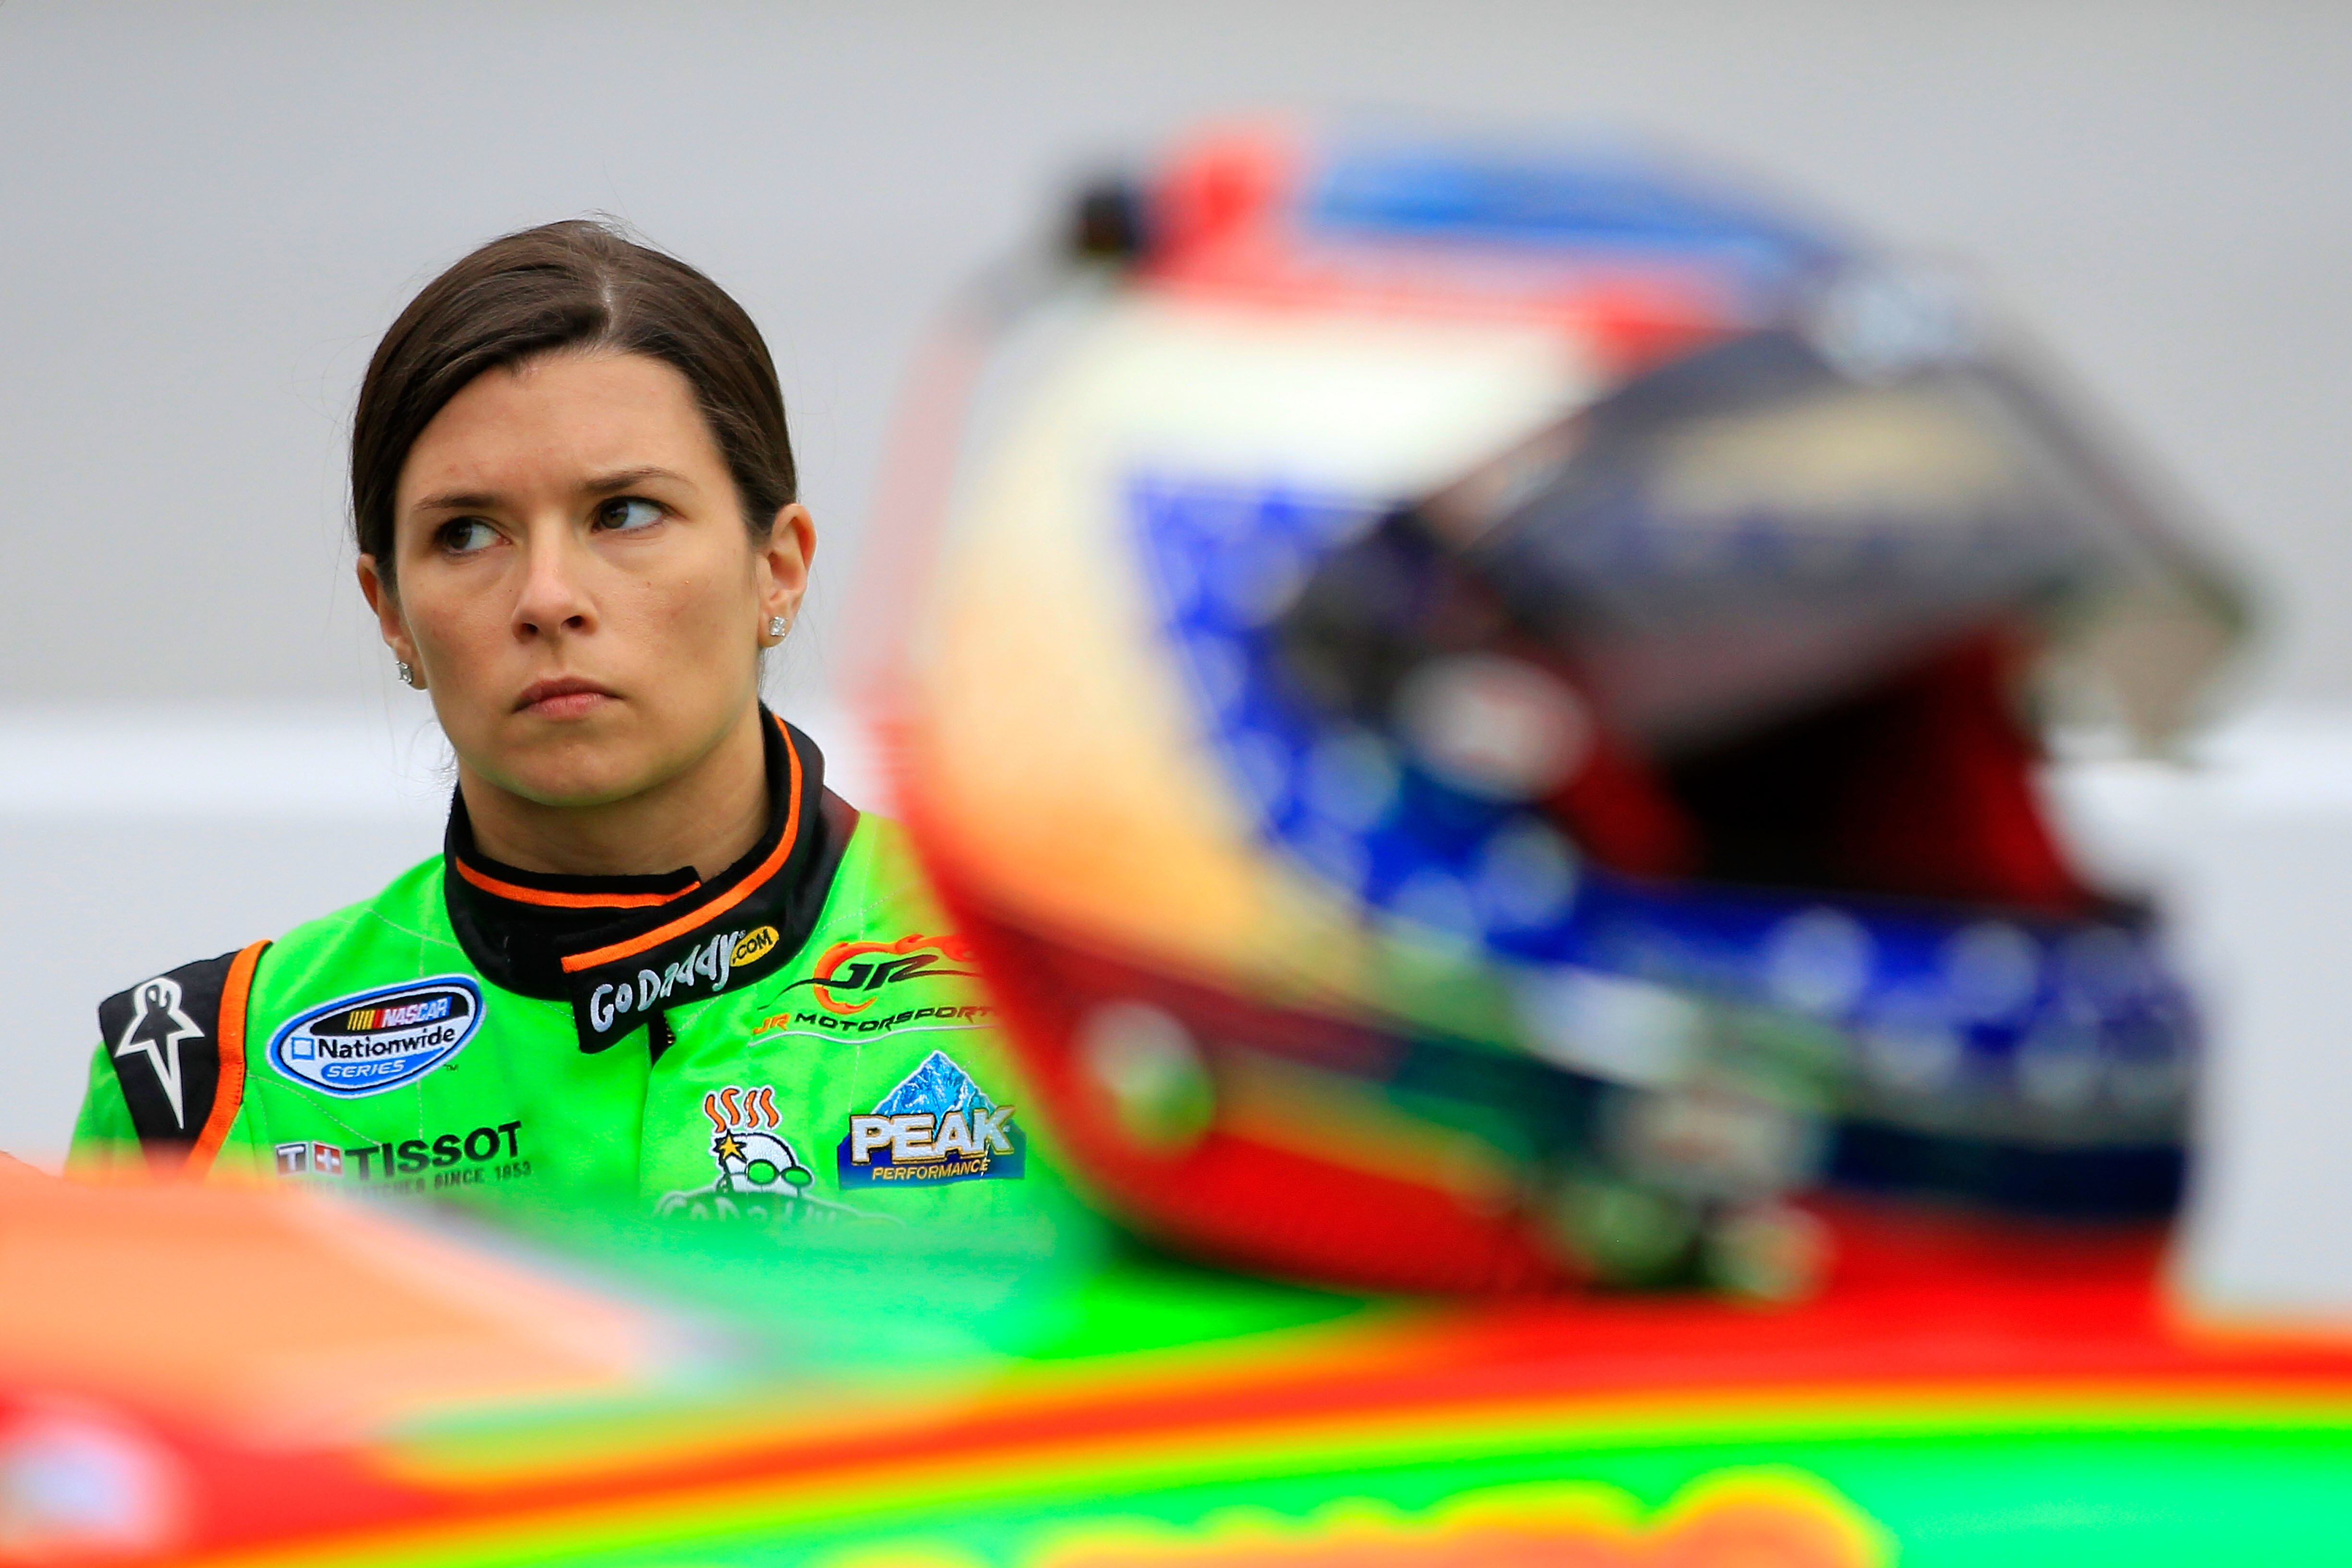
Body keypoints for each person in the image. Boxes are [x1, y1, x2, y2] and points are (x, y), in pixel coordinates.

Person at [69, 221, 1032, 1225]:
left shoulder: (1062, 978)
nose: (547, 597)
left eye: (624, 512)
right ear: (390, 611)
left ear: (776, 567)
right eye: (468, 534)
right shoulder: (200, 1080)